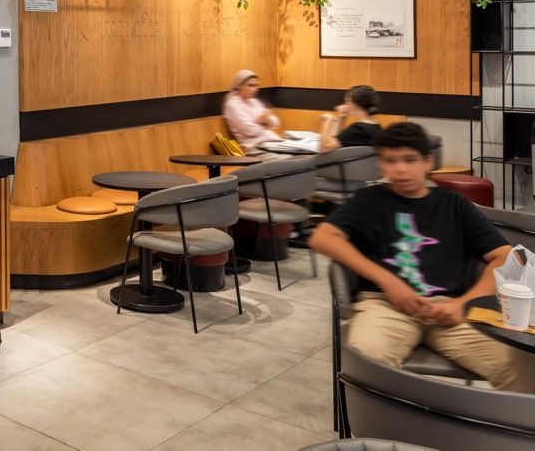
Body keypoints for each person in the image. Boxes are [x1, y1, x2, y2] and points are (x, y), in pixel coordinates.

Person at [311, 121, 534, 392]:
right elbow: (322, 237)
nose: (400, 169)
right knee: (366, 361)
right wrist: (387, 281)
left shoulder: (455, 205)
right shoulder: (368, 200)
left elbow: (503, 256)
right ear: (380, 164)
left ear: (427, 162)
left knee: (523, 367)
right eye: (390, 161)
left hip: (452, 310)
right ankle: (377, 431)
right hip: (385, 306)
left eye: (410, 160)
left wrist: (465, 302)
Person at [222, 69, 283, 154]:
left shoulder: (254, 101)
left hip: (272, 142)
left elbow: (276, 123)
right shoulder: (232, 105)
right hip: (254, 148)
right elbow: (252, 131)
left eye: (256, 86)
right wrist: (263, 121)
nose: (255, 89)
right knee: (293, 161)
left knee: (303, 155)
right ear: (239, 86)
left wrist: (264, 122)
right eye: (250, 85)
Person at [319, 84, 382, 152]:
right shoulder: (377, 127)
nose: (345, 104)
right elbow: (339, 139)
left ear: (354, 104)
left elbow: (324, 149)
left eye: (347, 101)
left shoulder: (358, 129)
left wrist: (327, 121)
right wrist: (342, 118)